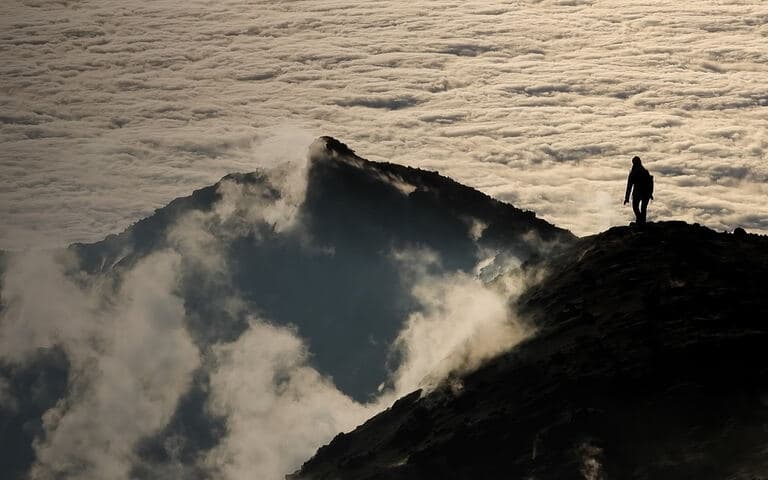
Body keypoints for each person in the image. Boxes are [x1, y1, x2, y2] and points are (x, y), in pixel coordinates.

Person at [624, 156, 654, 224]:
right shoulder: (644, 171)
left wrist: (627, 198)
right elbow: (650, 183)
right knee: (642, 208)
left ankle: (640, 220)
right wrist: (650, 193)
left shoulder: (634, 173)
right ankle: (641, 221)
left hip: (639, 193)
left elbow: (629, 186)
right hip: (645, 193)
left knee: (636, 207)